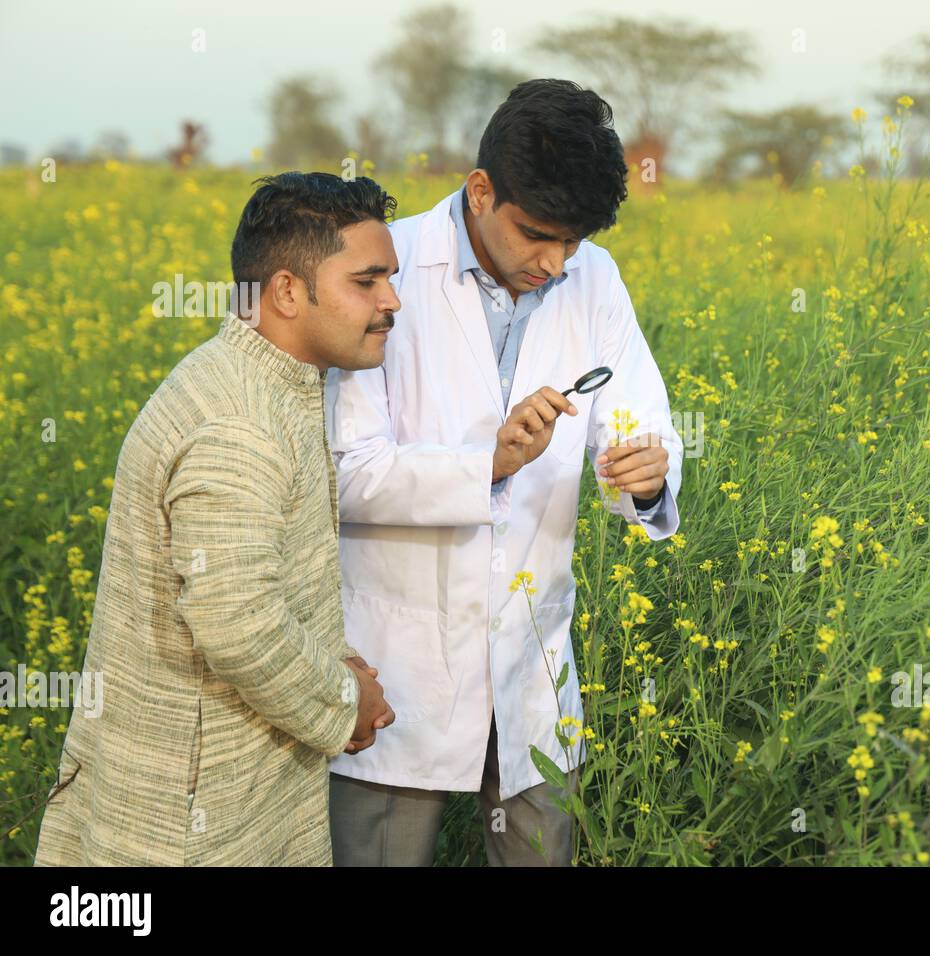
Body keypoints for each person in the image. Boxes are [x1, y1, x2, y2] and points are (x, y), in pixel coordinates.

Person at [326, 79, 683, 866]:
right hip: (398, 655)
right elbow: (343, 475)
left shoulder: (595, 279)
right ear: (479, 190)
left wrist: (649, 476)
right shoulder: (389, 269)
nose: (555, 265)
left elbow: (640, 420)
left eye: (575, 242)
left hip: (532, 655)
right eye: (537, 235)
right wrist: (484, 464)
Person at [35, 172, 399, 866]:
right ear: (289, 291)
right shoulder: (239, 423)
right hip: (188, 814)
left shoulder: (255, 381)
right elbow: (236, 619)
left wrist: (331, 658)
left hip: (221, 783)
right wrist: (341, 697)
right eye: (368, 281)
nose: (392, 300)